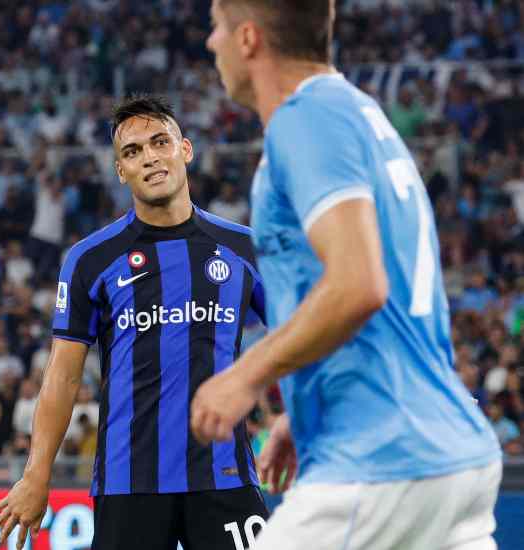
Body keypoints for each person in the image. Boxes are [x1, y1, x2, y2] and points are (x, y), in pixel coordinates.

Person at [192, 2, 502, 549]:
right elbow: (395, 286)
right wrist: (307, 406)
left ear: (247, 38)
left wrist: (245, 376)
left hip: (378, 461)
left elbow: (360, 283)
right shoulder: (358, 115)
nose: (208, 42)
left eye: (215, 25)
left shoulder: (305, 119)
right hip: (449, 455)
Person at [0, 95, 269, 550]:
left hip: (226, 477)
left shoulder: (244, 249)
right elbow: (63, 374)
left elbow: (300, 337)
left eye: (160, 141)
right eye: (133, 151)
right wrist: (36, 475)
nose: (150, 158)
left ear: (185, 149)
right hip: (129, 485)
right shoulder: (89, 260)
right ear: (120, 171)